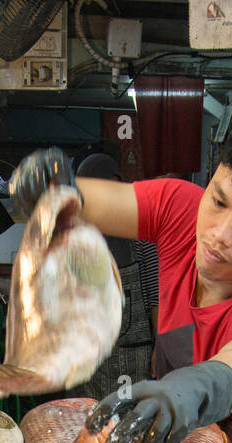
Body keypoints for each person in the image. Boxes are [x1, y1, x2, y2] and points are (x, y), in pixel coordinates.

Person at [9, 107, 232, 443]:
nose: (219, 235)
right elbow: (91, 200)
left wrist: (195, 386)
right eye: (218, 202)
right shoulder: (181, 209)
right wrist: (50, 186)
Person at [73, 152, 158, 399]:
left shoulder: (141, 238)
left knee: (128, 428)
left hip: (132, 361)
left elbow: (156, 298)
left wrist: (160, 348)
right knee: (84, 427)